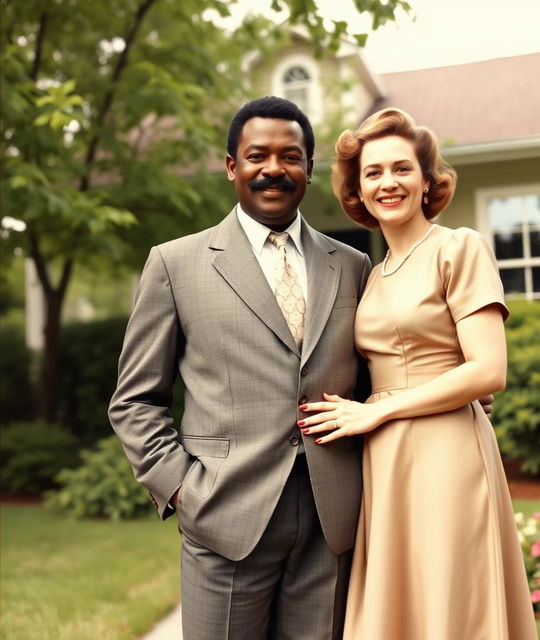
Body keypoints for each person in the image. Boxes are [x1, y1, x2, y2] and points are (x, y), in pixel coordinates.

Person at [108, 96, 372, 640]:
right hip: (223, 513)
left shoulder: (351, 265)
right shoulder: (174, 264)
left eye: (290, 156)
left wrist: (448, 392)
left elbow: (375, 379)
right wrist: (182, 489)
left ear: (308, 168)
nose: (273, 169)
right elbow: (135, 400)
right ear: (232, 166)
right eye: (257, 156)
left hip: (331, 520)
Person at [298, 108, 538, 639]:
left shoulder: (459, 247)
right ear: (357, 191)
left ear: (427, 181)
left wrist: (376, 411)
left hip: (445, 450)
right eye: (373, 172)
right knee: (399, 602)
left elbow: (488, 370)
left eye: (402, 168)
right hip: (383, 457)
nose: (389, 182)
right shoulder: (371, 274)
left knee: (449, 596)